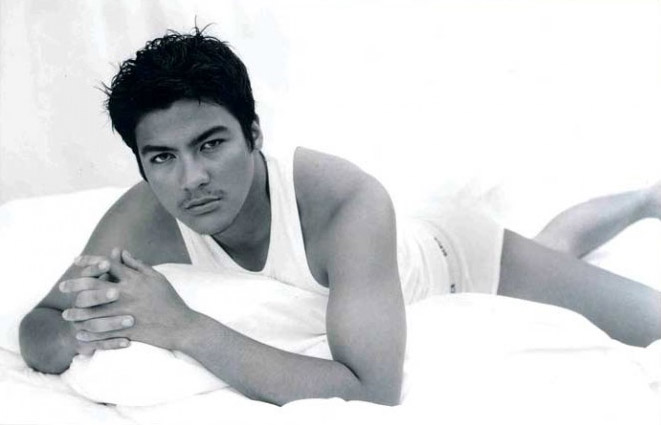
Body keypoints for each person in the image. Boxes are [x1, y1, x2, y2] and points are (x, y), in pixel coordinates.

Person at [18, 28, 661, 407]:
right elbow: (40, 326)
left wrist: (184, 328)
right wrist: (92, 329)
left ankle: (641, 200)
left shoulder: (342, 199)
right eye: (162, 157)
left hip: (458, 259)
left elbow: (371, 390)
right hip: (399, 265)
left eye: (210, 144)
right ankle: (635, 203)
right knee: (558, 244)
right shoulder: (144, 215)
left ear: (254, 133)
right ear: (141, 163)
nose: (191, 179)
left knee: (649, 319)